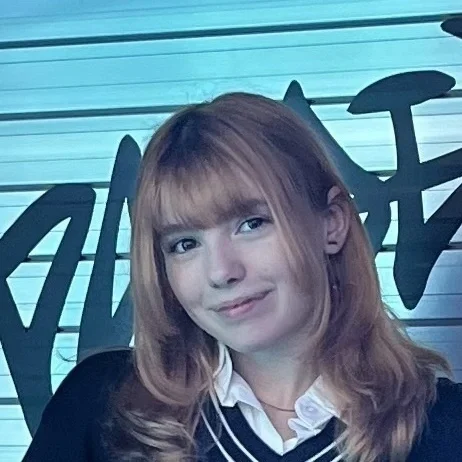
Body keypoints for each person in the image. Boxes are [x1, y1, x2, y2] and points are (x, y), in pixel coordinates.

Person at [24, 92, 462, 462]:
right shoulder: (100, 408)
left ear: (331, 224)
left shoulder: (445, 427)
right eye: (185, 243)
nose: (221, 272)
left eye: (251, 224)